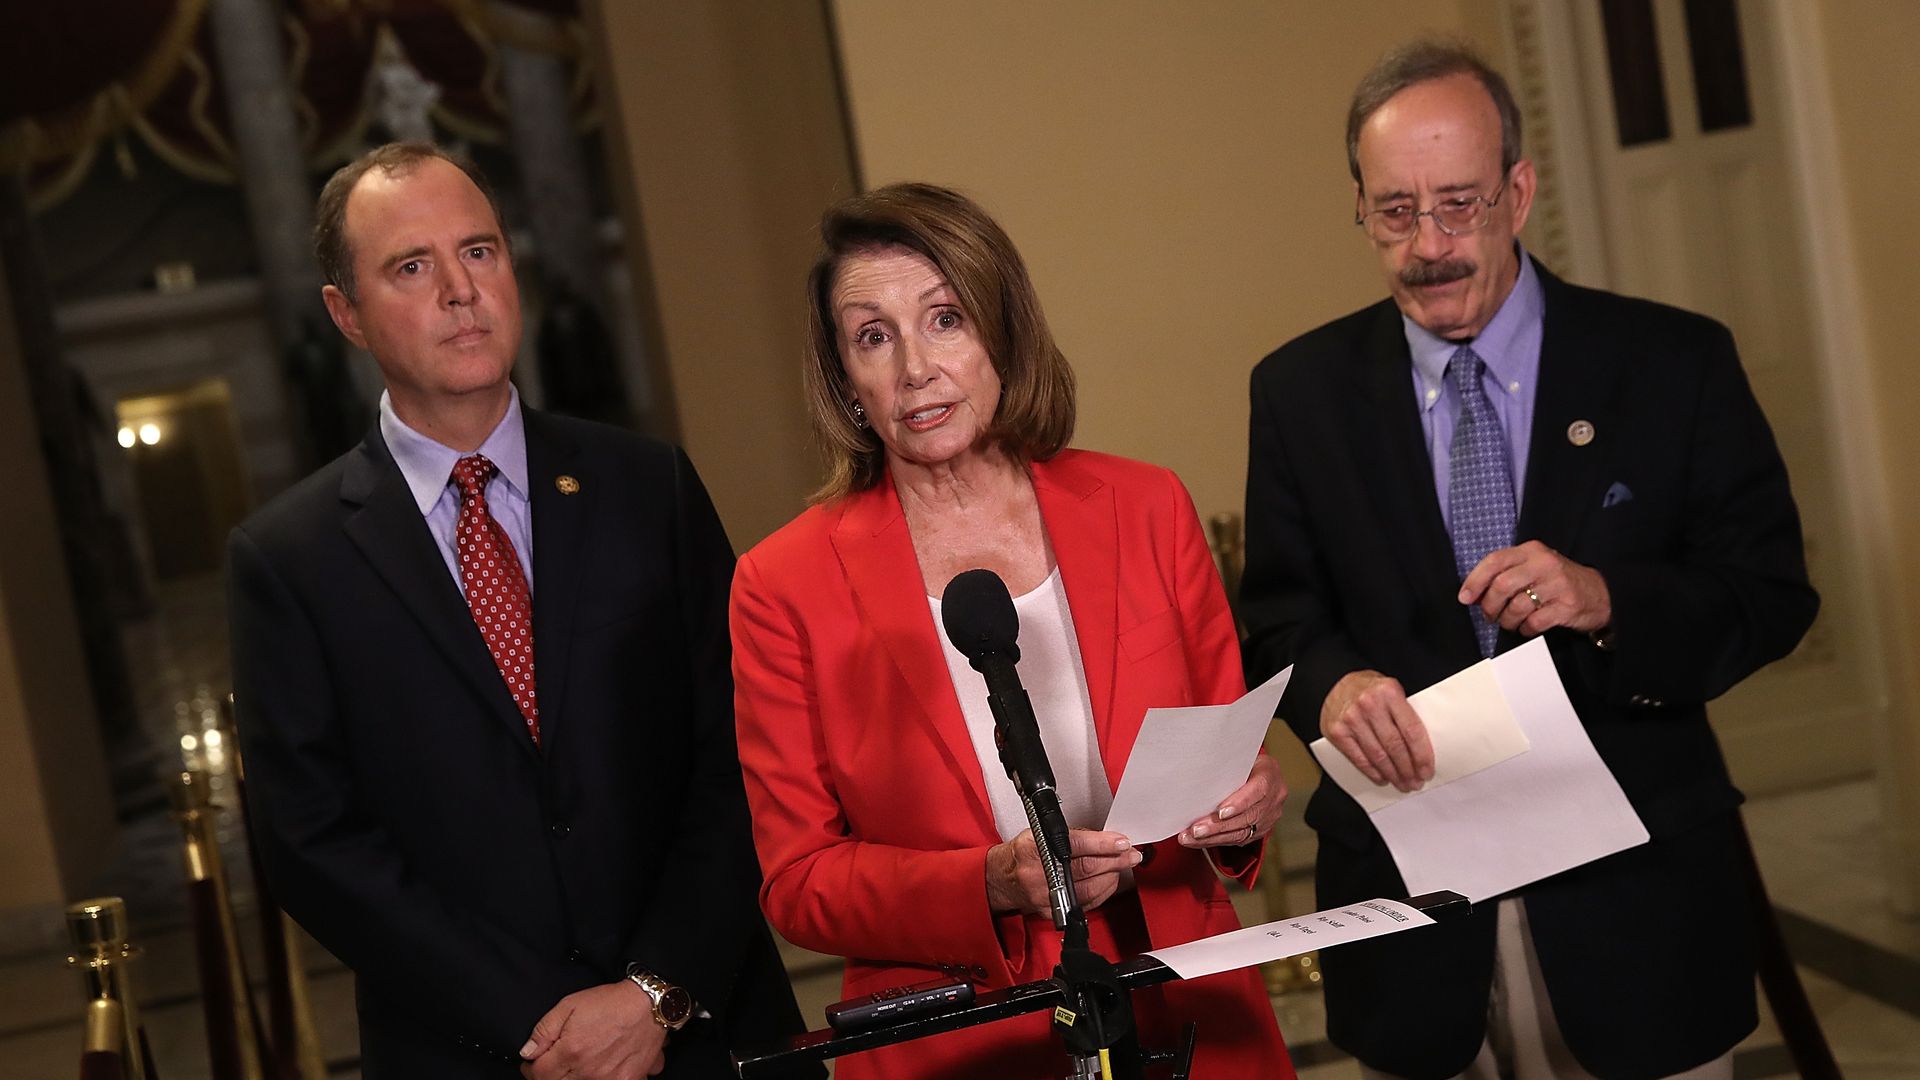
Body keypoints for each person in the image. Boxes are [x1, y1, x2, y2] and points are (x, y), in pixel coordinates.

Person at [1240, 40, 1818, 1080]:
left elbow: (1770, 595)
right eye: (1395, 211)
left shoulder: (1671, 362)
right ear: (1360, 208)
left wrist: (1607, 599)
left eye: (1459, 204)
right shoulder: (1300, 393)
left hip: (1633, 905)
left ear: (1519, 191)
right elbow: (1278, 620)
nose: (1429, 246)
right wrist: (1332, 691)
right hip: (1408, 915)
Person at [227, 142, 809, 1079]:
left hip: (705, 1033)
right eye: (412, 267)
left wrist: (653, 992)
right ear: (346, 314)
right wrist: (539, 1024)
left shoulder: (644, 485)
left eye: (481, 251)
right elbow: (314, 845)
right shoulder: (289, 560)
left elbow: (744, 750)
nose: (461, 290)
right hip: (473, 1053)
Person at [730, 182, 1296, 1078]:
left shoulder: (1146, 505)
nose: (916, 366)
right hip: (964, 1037)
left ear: (1002, 330)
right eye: (874, 336)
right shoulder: (782, 584)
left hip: (1184, 1003)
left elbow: (1229, 750)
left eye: (945, 319)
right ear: (846, 380)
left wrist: (1244, 805)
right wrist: (986, 884)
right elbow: (798, 880)